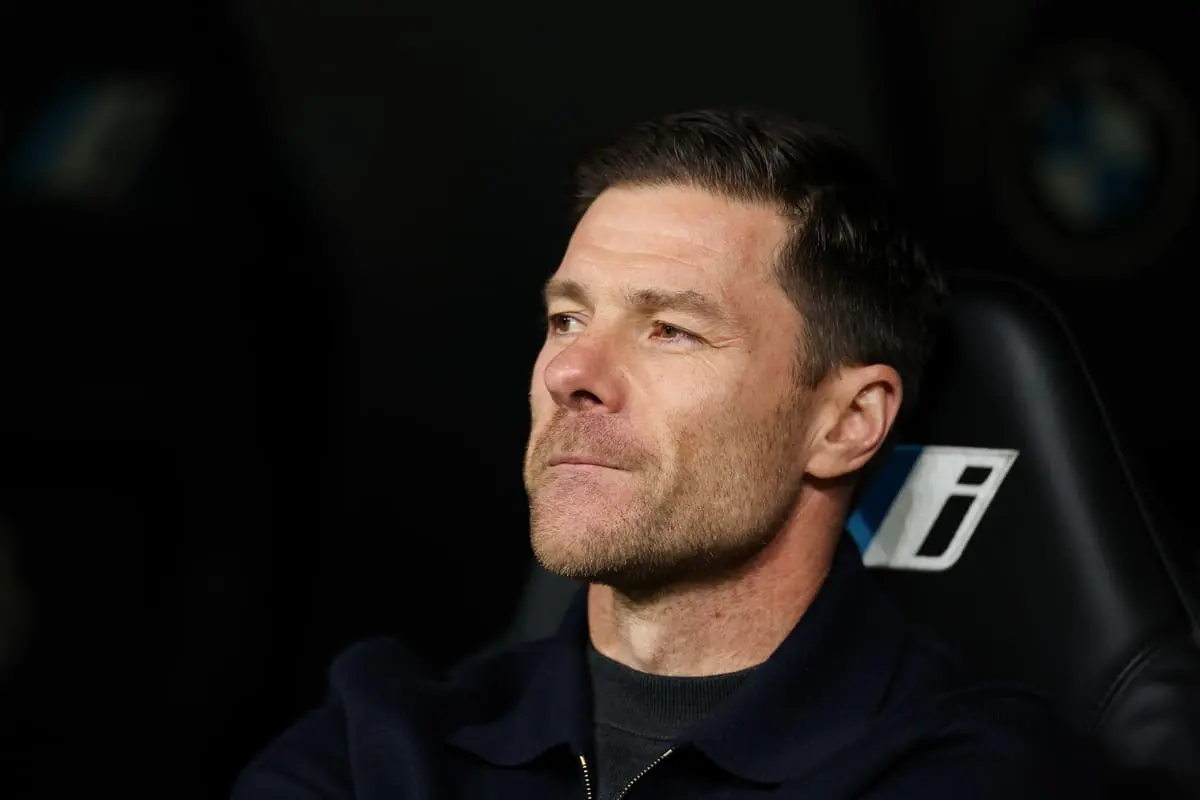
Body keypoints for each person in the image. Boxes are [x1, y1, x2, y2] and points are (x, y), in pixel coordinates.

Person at [231, 108, 1100, 798]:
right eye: (567, 318)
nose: (572, 370)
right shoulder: (380, 739)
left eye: (670, 330)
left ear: (846, 423)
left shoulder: (970, 772)